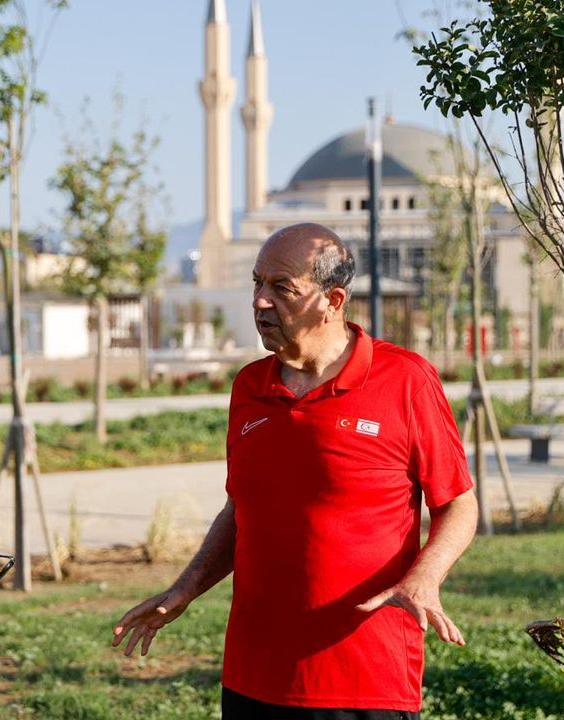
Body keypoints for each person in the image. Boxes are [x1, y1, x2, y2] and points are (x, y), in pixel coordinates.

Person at [112, 223, 478, 719]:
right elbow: (242, 510)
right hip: (254, 679)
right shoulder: (249, 388)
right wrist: (185, 588)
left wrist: (426, 577)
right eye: (257, 283)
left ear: (332, 301)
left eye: (281, 288)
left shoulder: (405, 379)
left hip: (364, 679)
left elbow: (458, 504)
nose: (260, 301)